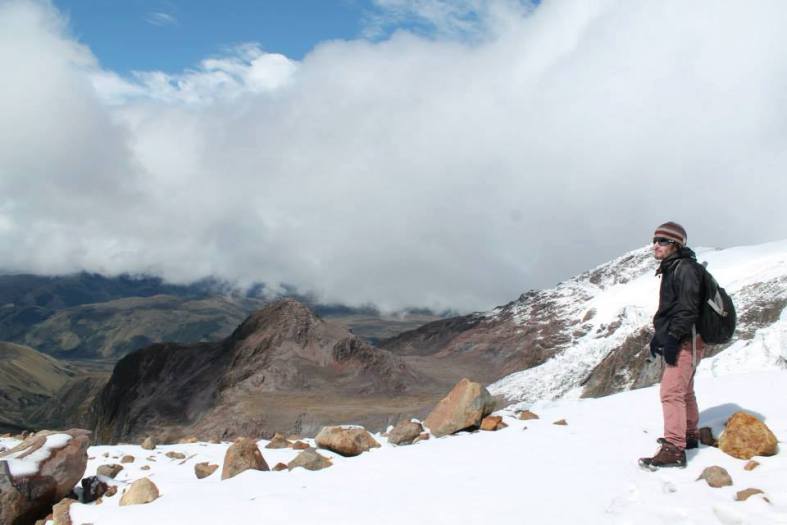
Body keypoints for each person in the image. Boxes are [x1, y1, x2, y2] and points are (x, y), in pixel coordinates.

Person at [639, 221, 705, 470]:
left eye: (662, 241)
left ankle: (674, 448)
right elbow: (671, 309)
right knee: (684, 390)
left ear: (676, 244)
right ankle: (689, 435)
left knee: (671, 391)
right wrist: (660, 336)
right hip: (687, 338)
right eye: (655, 240)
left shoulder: (685, 269)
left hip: (687, 339)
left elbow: (687, 310)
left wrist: (673, 338)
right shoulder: (673, 268)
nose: (656, 245)